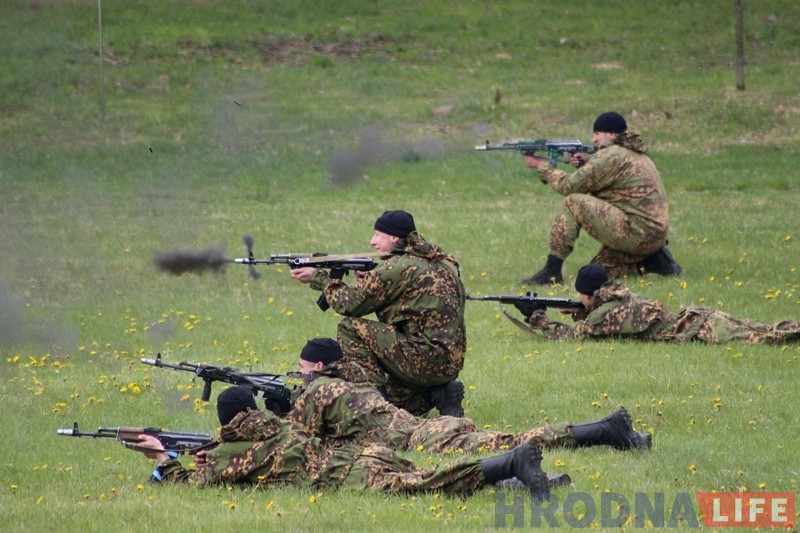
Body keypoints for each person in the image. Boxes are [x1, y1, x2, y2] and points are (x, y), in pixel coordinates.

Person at [134, 385, 552, 498]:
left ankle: (511, 462)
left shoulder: (231, 453)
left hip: (346, 477)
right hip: (364, 455)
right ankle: (521, 479)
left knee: (431, 484)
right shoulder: (278, 425)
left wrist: (162, 458)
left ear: (226, 421)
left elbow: (192, 483)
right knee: (429, 473)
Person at [285, 338, 652, 454]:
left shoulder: (319, 390)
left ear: (318, 366)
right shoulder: (354, 378)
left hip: (422, 438)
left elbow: (297, 437)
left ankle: (606, 429)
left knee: (514, 443)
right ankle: (610, 432)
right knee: (508, 441)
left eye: (302, 368)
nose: (300, 374)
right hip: (431, 426)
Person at [289, 210, 467, 417]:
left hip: (423, 359)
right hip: (449, 363)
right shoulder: (443, 262)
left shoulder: (397, 266)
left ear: (394, 238)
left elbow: (349, 305)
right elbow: (411, 302)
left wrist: (320, 278)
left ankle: (374, 408)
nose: (372, 242)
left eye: (377, 235)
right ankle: (441, 394)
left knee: (350, 327)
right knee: (398, 404)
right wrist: (371, 281)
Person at [521, 111, 681, 285]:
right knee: (598, 272)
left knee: (572, 202)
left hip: (636, 232)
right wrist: (586, 164)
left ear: (611, 134)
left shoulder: (611, 155)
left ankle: (551, 271)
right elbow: (609, 181)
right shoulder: (634, 153)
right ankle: (653, 261)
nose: (594, 139)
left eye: (597, 134)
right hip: (652, 235)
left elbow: (568, 187)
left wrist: (543, 167)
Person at [513, 263, 800, 343]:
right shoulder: (617, 295)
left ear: (589, 294)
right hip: (700, 318)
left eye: (580, 296)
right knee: (763, 327)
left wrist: (536, 316)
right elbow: (600, 320)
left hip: (700, 330)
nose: (578, 300)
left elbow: (572, 337)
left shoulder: (604, 313)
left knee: (764, 338)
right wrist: (580, 312)